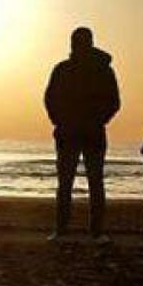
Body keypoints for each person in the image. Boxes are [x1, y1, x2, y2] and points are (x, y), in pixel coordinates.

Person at [44, 27, 121, 242]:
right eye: (74, 41)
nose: (75, 45)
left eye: (79, 41)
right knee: (66, 183)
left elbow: (114, 102)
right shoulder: (62, 69)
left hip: (91, 133)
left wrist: (97, 121)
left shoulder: (103, 70)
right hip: (70, 132)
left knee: (94, 182)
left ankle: (95, 232)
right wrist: (59, 120)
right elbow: (49, 98)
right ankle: (61, 230)